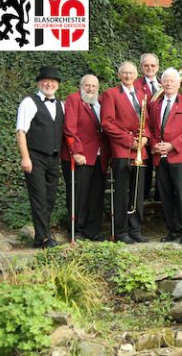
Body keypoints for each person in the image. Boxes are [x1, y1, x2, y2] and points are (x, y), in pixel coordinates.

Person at [101, 61, 150, 244]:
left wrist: (145, 138)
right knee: (121, 193)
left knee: (136, 193)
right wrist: (130, 141)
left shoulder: (142, 95)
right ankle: (121, 232)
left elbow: (148, 122)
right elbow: (107, 123)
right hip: (122, 150)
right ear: (119, 75)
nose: (128, 76)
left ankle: (135, 229)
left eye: (131, 73)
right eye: (125, 73)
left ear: (136, 75)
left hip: (140, 151)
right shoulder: (111, 94)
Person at [148, 68, 182, 244]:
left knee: (181, 192)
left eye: (172, 81)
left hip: (179, 155)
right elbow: (150, 128)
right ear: (161, 83)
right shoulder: (154, 104)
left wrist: (171, 146)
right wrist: (155, 145)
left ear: (179, 84)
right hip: (159, 156)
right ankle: (173, 230)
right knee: (165, 193)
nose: (168, 83)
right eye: (166, 81)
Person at [16, 66, 64, 248]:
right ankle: (43, 239)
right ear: (39, 83)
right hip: (35, 157)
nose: (49, 83)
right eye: (45, 80)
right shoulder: (28, 102)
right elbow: (21, 132)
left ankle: (42, 236)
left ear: (57, 85)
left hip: (53, 159)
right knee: (39, 198)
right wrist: (25, 158)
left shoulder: (61, 105)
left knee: (50, 198)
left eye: (53, 81)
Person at [61, 74, 109, 241]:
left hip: (99, 156)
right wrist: (76, 152)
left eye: (94, 86)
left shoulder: (102, 101)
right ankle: (77, 230)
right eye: (87, 85)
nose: (90, 89)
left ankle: (93, 230)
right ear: (81, 86)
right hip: (81, 156)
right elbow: (69, 128)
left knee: (96, 194)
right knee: (78, 195)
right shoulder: (74, 100)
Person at [136, 53, 161, 202]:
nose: (150, 68)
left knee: (162, 171)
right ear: (141, 67)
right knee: (144, 172)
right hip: (144, 136)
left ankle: (159, 202)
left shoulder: (165, 83)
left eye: (152, 65)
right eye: (146, 65)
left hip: (161, 137)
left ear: (157, 67)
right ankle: (142, 202)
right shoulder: (135, 85)